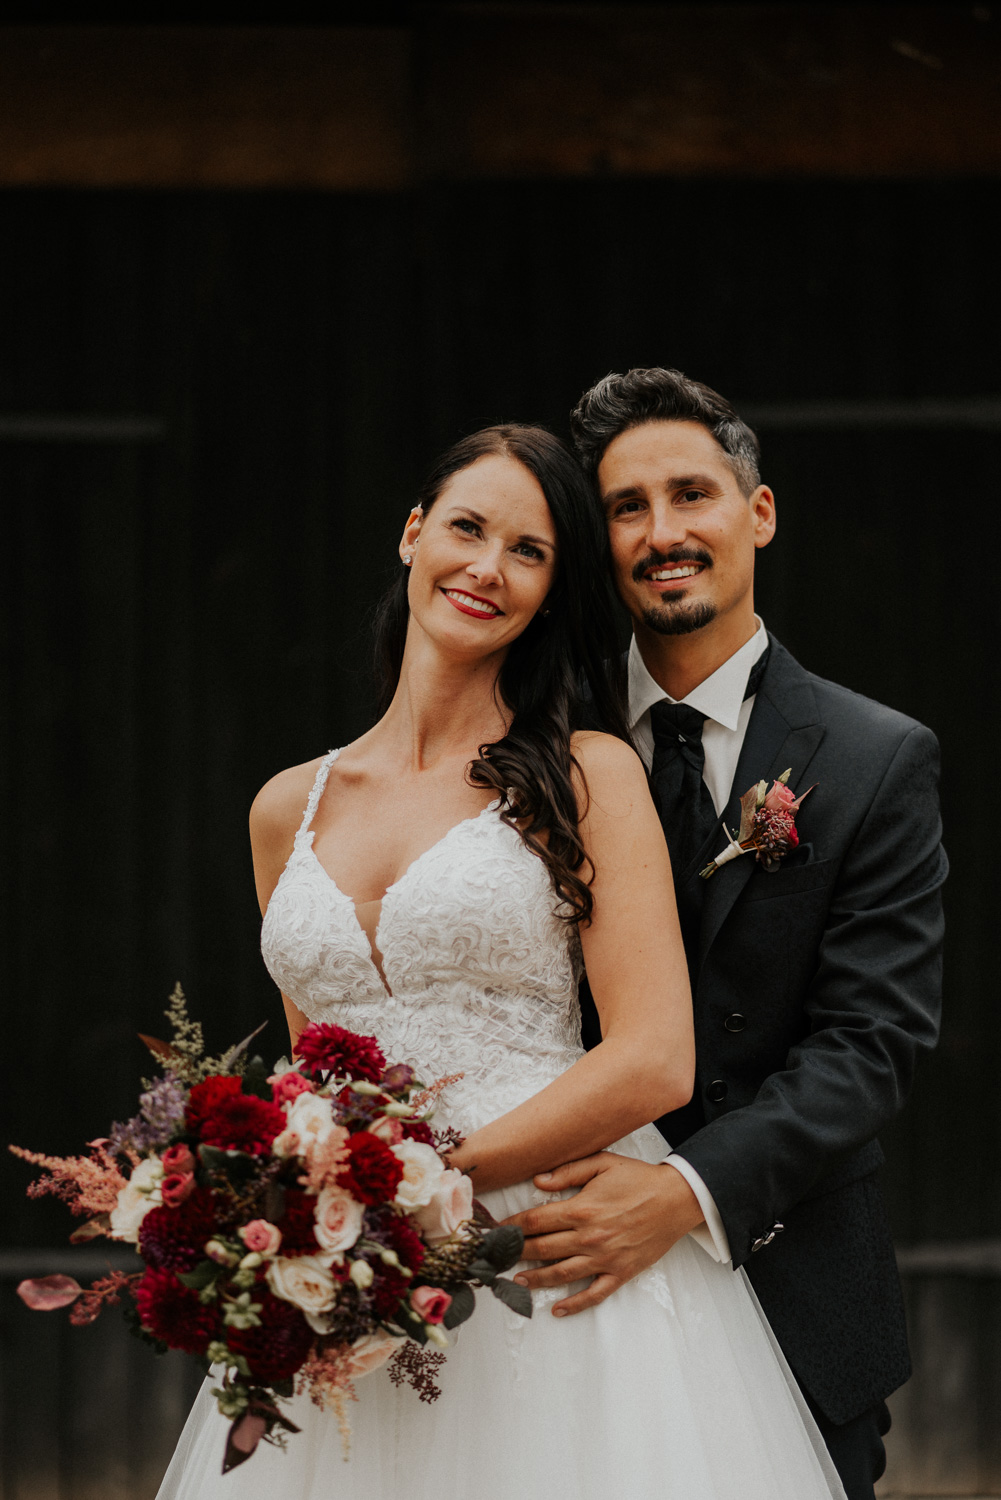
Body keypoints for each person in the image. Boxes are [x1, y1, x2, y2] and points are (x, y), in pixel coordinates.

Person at [155, 424, 847, 1500]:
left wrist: (421, 1189)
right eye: (468, 528)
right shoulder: (284, 807)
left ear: (549, 590)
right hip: (363, 1271)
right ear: (412, 532)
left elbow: (655, 1057)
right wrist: (304, 1211)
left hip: (554, 1248)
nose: (486, 566)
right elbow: (314, 1077)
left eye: (527, 552)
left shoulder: (583, 776)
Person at [506, 371, 947, 1500]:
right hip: (559, 1290)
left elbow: (872, 1041)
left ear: (755, 512)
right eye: (623, 507)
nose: (662, 533)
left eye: (690, 494)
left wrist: (681, 1193)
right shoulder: (533, 741)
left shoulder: (873, 757)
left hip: (791, 1282)